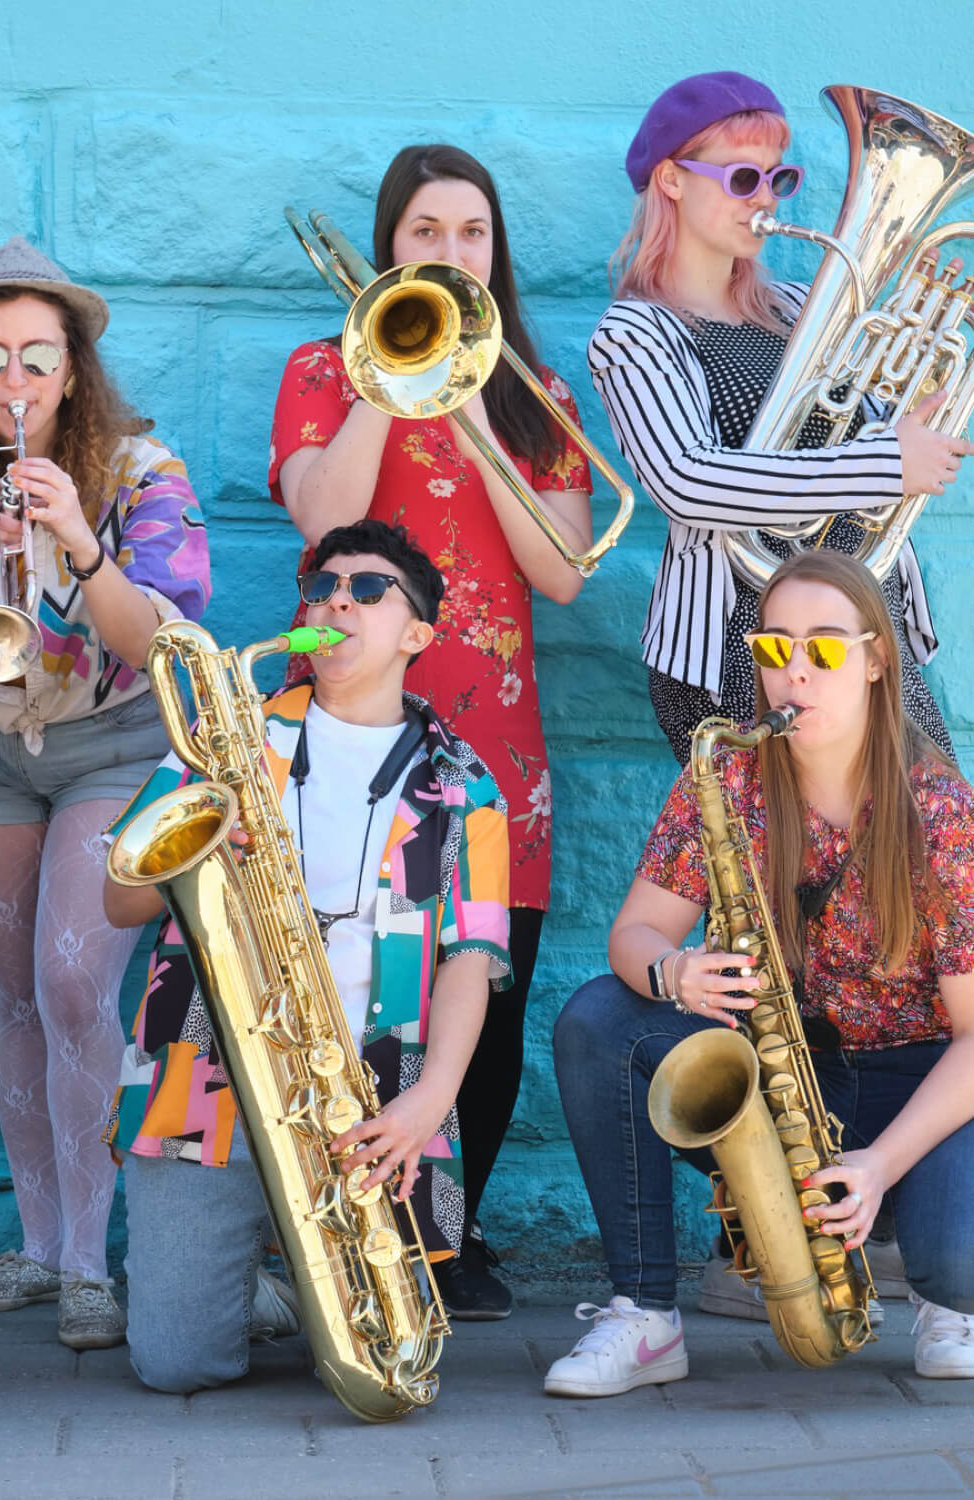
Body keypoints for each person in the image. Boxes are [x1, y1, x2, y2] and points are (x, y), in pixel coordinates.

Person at [269, 144, 594, 1318]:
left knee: (486, 979)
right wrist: (387, 382)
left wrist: (472, 408)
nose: (449, 253)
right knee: (348, 975)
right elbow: (323, 521)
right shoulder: (324, 366)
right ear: (388, 245)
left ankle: (451, 1232)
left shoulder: (528, 388)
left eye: (471, 234)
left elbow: (560, 572)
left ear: (494, 253)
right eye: (424, 232)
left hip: (490, 733)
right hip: (353, 726)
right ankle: (344, 1230)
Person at [0, 238, 209, 1352]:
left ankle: (87, 1264)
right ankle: (37, 1241)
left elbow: (163, 637)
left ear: (73, 366)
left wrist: (76, 538)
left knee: (75, 983)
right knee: (13, 998)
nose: (13, 383)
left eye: (37, 358)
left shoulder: (141, 470)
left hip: (113, 740)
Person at [546, 550, 974, 1398]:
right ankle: (646, 1317)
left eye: (824, 648)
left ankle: (946, 1297)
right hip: (785, 1071)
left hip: (915, 1077)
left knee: (956, 1265)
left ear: (877, 659)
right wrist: (674, 974)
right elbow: (634, 933)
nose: (796, 674)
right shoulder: (727, 775)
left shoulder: (939, 809)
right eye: (776, 649)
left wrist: (881, 1164)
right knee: (598, 1021)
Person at [105, 519, 510, 1395]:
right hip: (201, 1075)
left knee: (383, 1346)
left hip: (375, 1093)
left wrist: (429, 1105)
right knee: (176, 1367)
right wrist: (208, 847)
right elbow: (119, 896)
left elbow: (471, 961)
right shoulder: (226, 738)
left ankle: (278, 1276)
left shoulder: (467, 787)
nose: (335, 600)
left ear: (416, 635)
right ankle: (252, 1288)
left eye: (367, 591)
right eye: (322, 587)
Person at [588, 71, 969, 767]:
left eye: (778, 179)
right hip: (742, 639)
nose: (765, 199)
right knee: (785, 868)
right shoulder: (635, 332)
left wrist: (917, 410)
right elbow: (687, 480)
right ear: (671, 180)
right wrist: (886, 462)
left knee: (927, 850)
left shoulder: (800, 307)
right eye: (742, 179)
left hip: (858, 623)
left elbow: (877, 434)